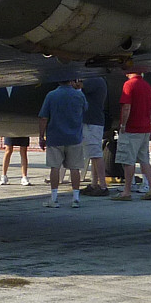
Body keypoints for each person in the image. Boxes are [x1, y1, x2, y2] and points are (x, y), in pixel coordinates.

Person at [37, 78, 87, 207]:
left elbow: (43, 117)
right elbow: (85, 108)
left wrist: (41, 136)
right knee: (75, 168)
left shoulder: (51, 95)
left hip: (55, 137)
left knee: (55, 167)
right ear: (71, 81)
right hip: (75, 137)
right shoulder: (79, 95)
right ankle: (76, 198)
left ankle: (54, 199)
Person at [113, 69, 151, 200]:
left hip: (132, 129)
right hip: (144, 128)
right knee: (144, 160)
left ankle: (126, 191)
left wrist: (123, 124)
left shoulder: (129, 85)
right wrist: (147, 122)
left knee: (128, 160)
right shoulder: (147, 85)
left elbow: (126, 106)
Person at [80, 75, 111, 197]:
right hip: (93, 121)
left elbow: (81, 87)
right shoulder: (99, 80)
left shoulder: (94, 79)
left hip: (92, 122)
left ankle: (102, 185)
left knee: (96, 154)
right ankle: (94, 184)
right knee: (93, 155)